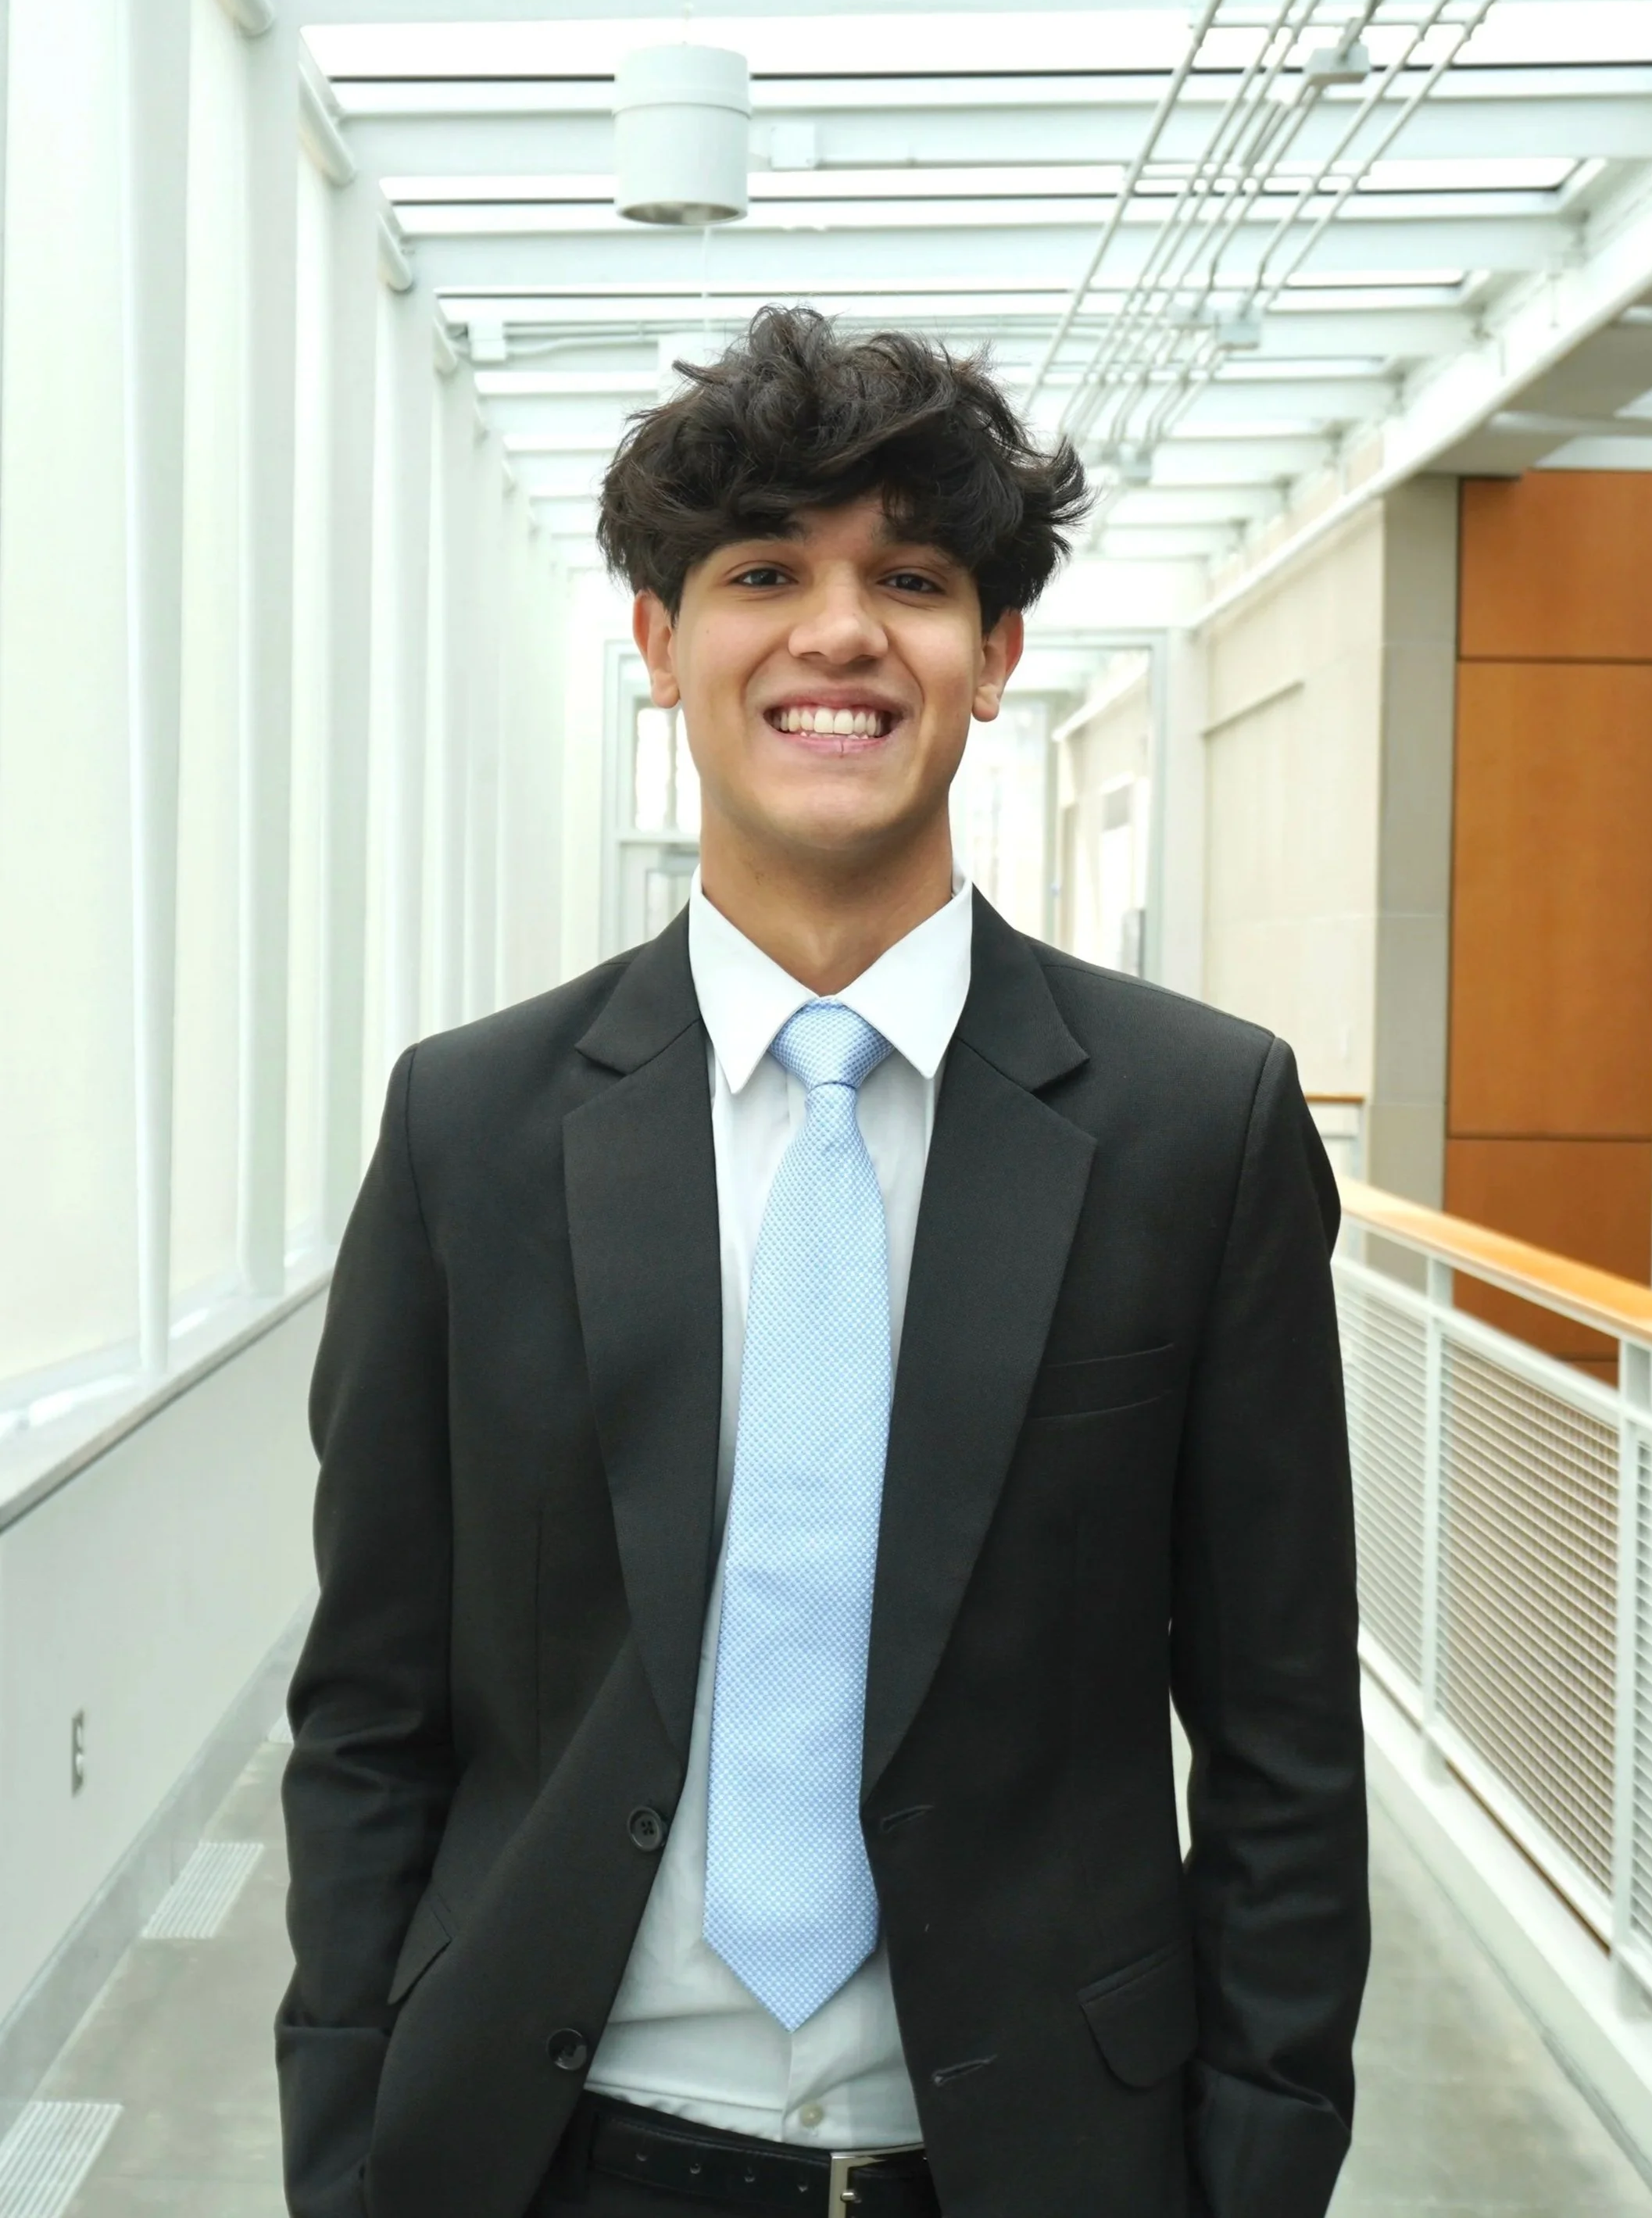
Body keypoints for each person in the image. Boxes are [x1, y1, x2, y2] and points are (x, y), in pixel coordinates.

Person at [277, 306, 1368, 2218]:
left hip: (1029, 2163)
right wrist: (351, 2148)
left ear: (995, 657)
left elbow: (1281, 1738)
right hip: (546, 2156)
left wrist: (1259, 2168)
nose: (839, 634)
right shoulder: (474, 1126)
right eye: (763, 572)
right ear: (658, 644)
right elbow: (370, 1711)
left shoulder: (1194, 1126)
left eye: (914, 581)